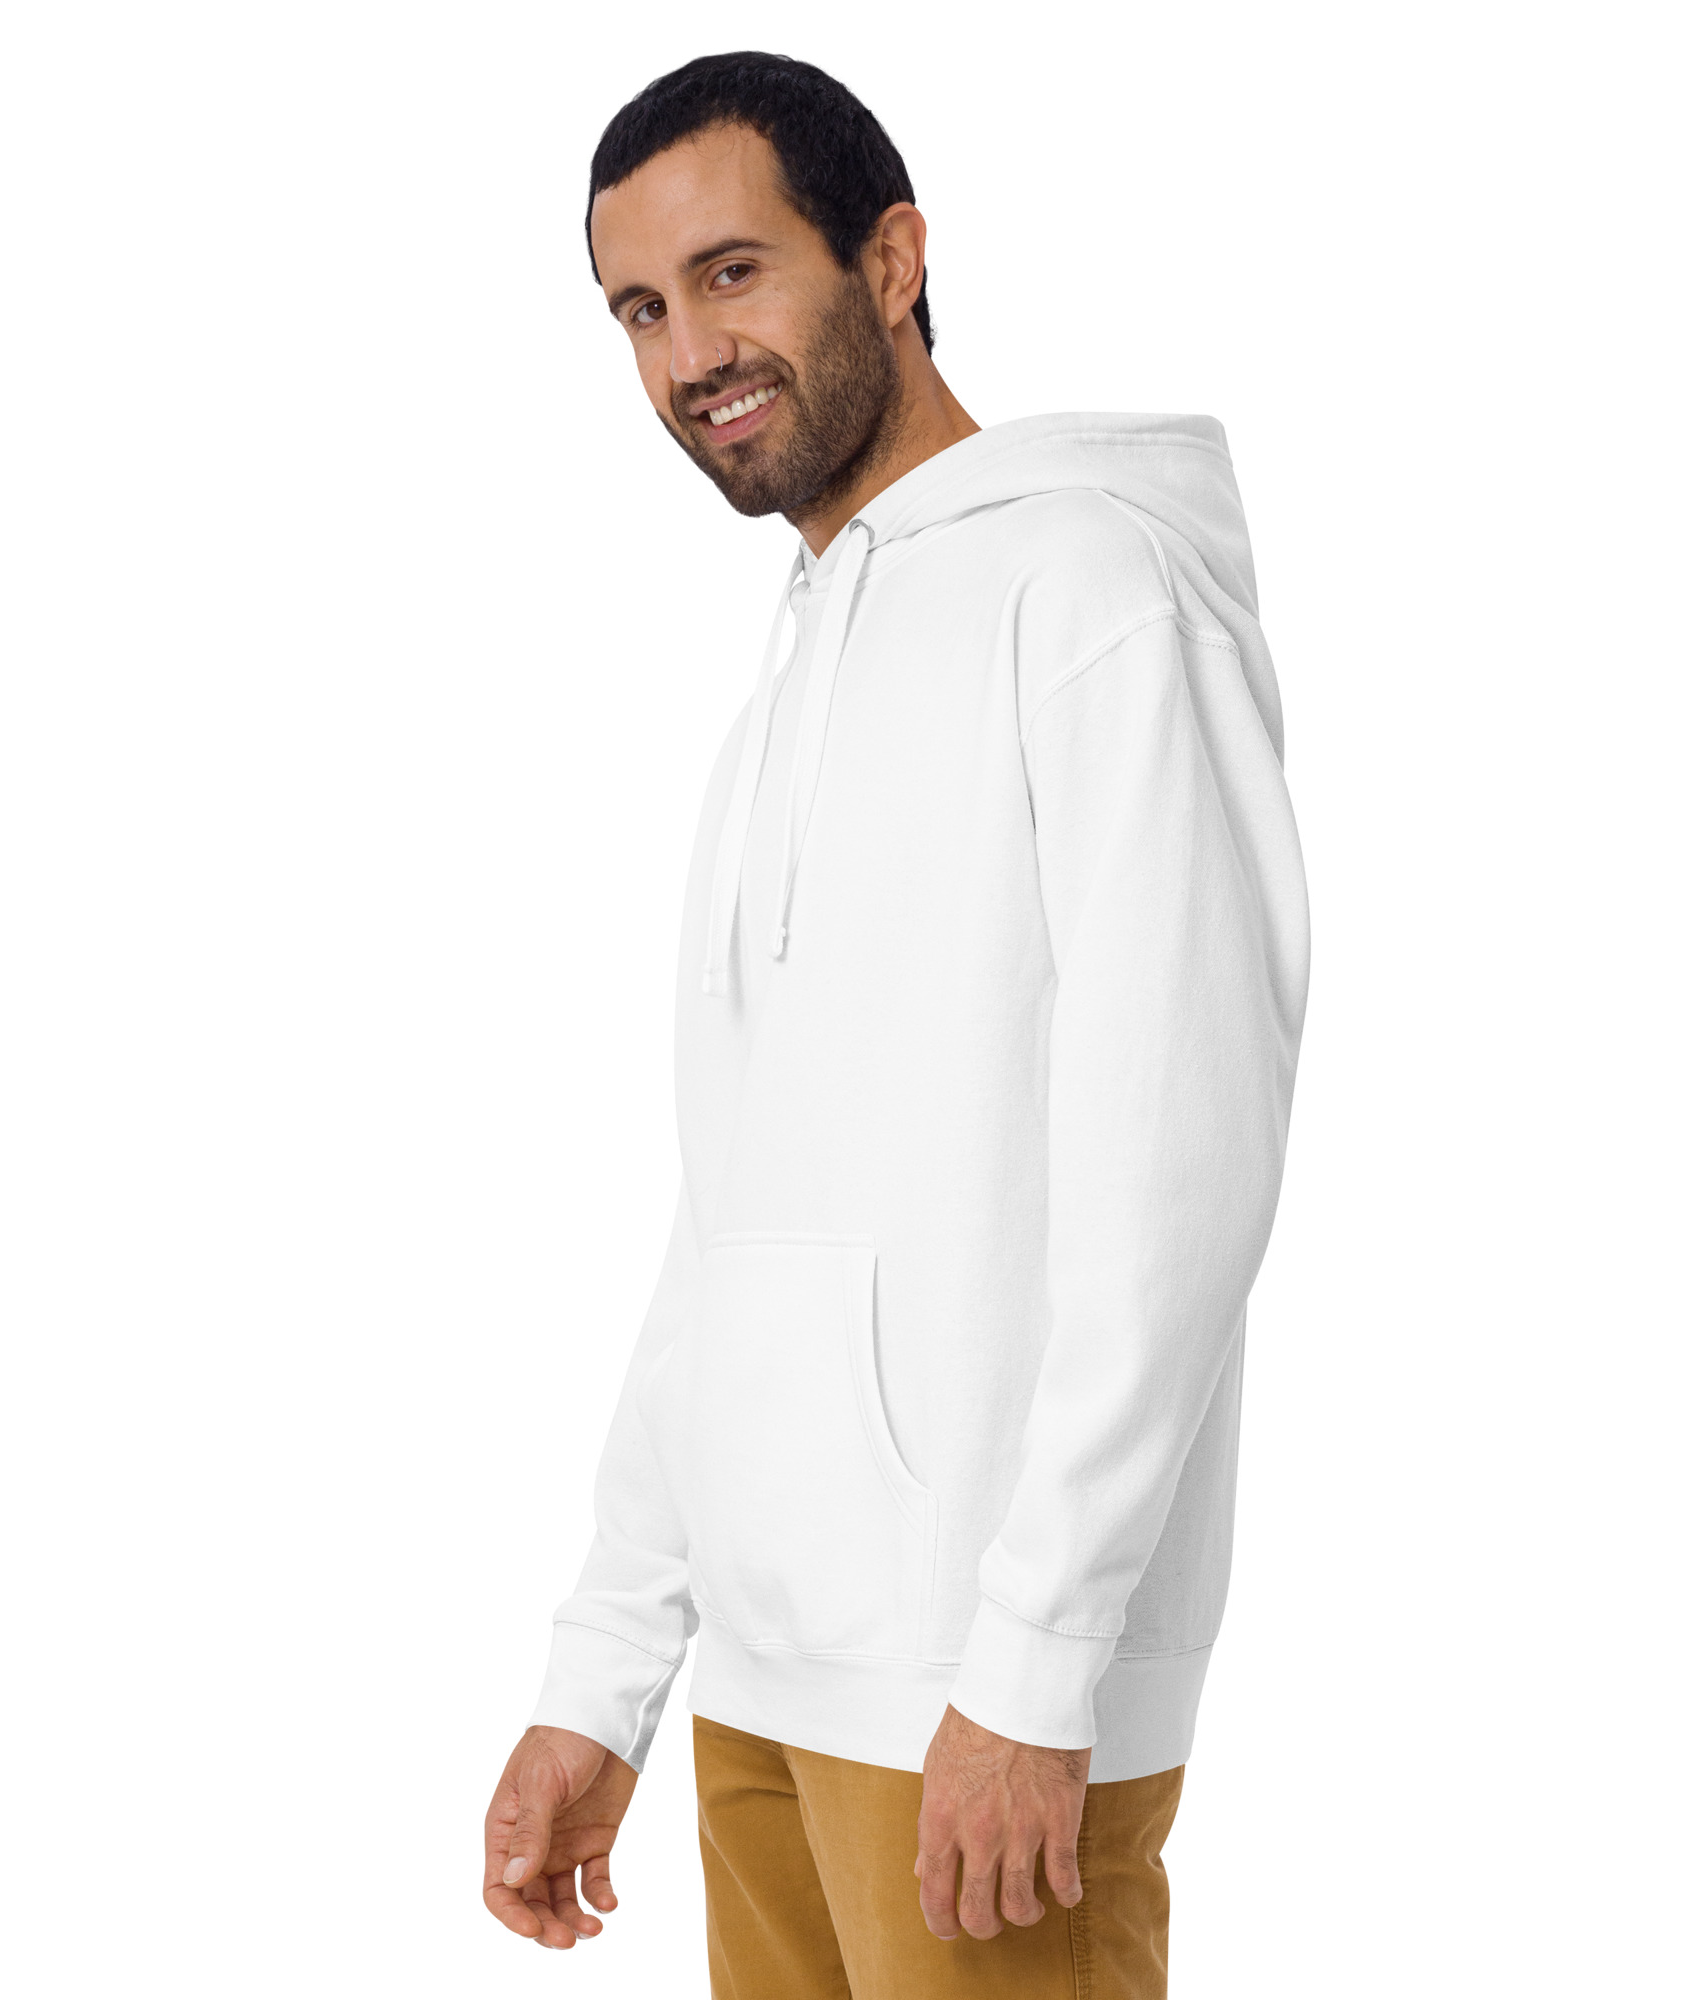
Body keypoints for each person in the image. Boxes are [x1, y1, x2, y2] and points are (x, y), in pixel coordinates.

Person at [480, 50, 1309, 1999]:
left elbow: (1180, 1164)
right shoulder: (786, 689)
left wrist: (1038, 1656)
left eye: (734, 272)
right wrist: (610, 1665)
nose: (691, 354)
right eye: (639, 309)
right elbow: (731, 1219)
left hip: (981, 1697)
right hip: (768, 1682)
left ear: (893, 259)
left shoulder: (1094, 594)